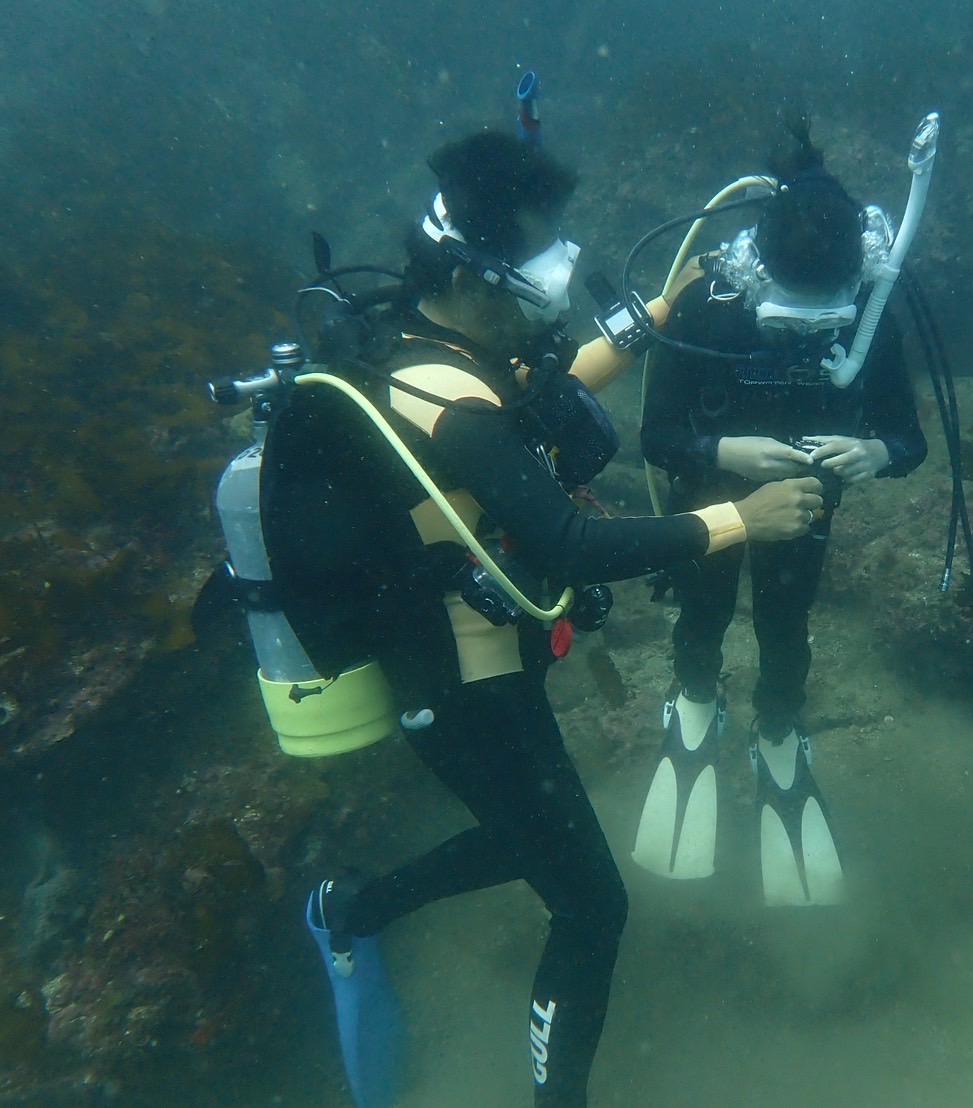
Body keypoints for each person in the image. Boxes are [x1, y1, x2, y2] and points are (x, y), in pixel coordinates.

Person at [261, 129, 822, 1107]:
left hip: (474, 663)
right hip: (459, 688)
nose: (560, 276)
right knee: (592, 905)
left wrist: (651, 315)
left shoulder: (423, 332)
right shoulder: (451, 400)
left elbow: (542, 403)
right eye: (543, 256)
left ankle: (350, 909)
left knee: (527, 837)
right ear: (483, 274)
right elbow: (566, 541)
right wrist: (740, 517)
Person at [633, 114, 929, 907]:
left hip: (803, 508)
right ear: (757, 270)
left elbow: (909, 437)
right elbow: (655, 433)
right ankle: (695, 696)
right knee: (701, 610)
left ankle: (778, 725)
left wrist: (874, 455)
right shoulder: (712, 306)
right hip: (712, 502)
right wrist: (722, 454)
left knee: (784, 622)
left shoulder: (871, 313)